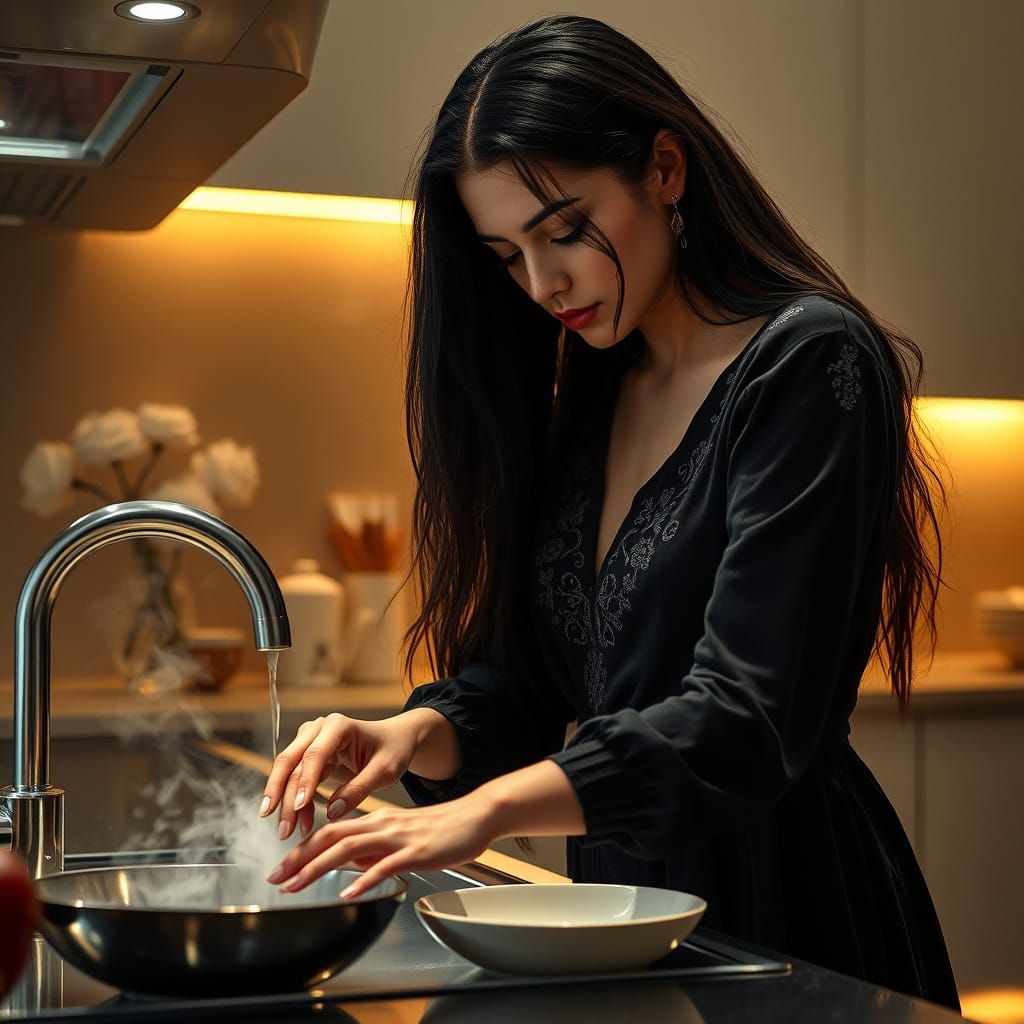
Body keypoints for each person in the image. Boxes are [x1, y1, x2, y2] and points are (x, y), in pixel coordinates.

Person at [258, 15, 960, 1012]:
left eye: (563, 230)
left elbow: (745, 719)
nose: (543, 284)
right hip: (625, 915)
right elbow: (540, 681)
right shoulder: (591, 387)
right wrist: (410, 733)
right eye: (507, 254)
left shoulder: (809, 361)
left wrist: (484, 814)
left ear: (664, 169)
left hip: (788, 912)